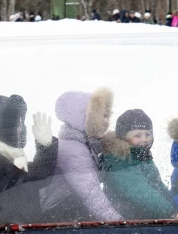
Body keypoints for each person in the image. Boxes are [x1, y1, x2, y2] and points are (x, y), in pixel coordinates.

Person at [40, 88, 123, 222]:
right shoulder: (72, 149)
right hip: (61, 212)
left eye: (108, 116)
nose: (106, 121)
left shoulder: (85, 145)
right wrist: (119, 222)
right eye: (101, 115)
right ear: (85, 117)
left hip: (73, 208)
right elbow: (90, 192)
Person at [0, 94, 58, 223]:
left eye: (21, 123)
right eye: (16, 124)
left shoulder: (1, 155)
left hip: (17, 232)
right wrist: (45, 148)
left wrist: (45, 146)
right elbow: (39, 176)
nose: (21, 128)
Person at [101, 110, 178, 220]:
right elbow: (139, 192)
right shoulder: (119, 159)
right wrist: (170, 213)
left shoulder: (141, 157)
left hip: (145, 219)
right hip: (126, 223)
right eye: (137, 135)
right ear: (123, 138)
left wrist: (177, 208)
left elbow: (157, 186)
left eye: (148, 134)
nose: (144, 139)